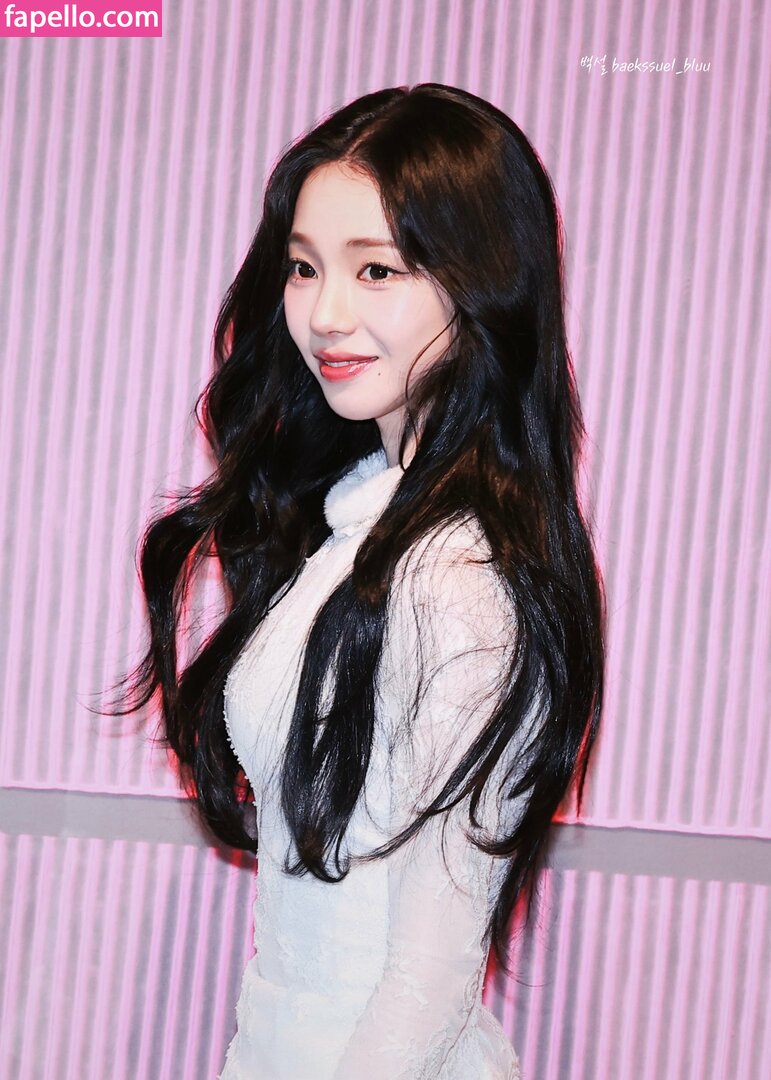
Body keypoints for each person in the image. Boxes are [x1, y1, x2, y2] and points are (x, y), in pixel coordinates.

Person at [113, 84, 605, 1079]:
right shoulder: (354, 530)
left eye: (376, 269)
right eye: (304, 267)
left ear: (481, 285)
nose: (324, 314)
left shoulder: (460, 584)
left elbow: (428, 982)